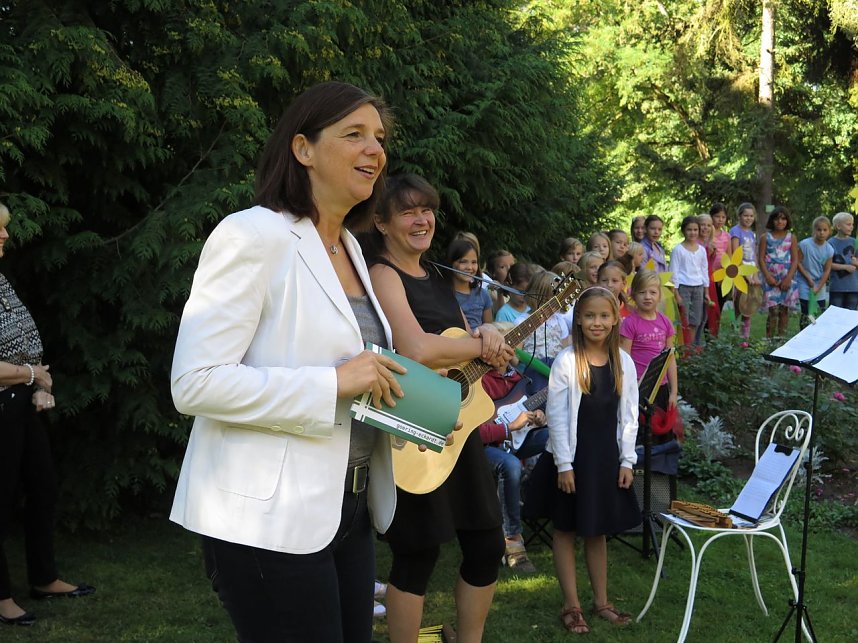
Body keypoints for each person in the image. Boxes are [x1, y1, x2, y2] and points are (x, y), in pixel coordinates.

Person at [169, 81, 417, 642]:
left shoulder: (352, 248)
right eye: (354, 134)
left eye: (379, 137)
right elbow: (195, 384)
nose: (375, 150)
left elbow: (361, 374)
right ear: (302, 148)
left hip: (347, 506)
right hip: (266, 519)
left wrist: (410, 414)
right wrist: (332, 383)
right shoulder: (251, 235)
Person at [364, 173, 514, 643]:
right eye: (407, 211)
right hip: (412, 428)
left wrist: (487, 343)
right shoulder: (381, 273)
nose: (421, 219)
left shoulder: (434, 275)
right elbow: (418, 350)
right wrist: (479, 342)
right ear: (382, 222)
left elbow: (452, 350)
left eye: (426, 209)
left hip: (457, 429)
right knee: (417, 553)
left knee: (488, 546)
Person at [0, 202, 95, 628]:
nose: (5, 236)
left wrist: (36, 382)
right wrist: (31, 373)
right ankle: (1, 597)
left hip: (19, 402)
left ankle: (43, 577)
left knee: (43, 488)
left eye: (3, 229)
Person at [527, 287, 640, 635]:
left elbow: (630, 416)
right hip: (572, 460)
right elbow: (557, 416)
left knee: (597, 529)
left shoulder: (624, 362)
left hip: (605, 459)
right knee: (565, 529)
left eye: (604, 316)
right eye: (590, 315)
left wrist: (627, 460)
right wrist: (563, 464)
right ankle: (571, 605)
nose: (597, 322)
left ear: (615, 319)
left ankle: (601, 601)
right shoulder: (567, 361)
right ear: (578, 318)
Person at [477, 362, 548, 575]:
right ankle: (512, 540)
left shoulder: (520, 379)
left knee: (557, 440)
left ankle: (549, 512)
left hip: (516, 440)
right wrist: (509, 427)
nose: (510, 353)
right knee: (510, 465)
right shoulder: (477, 381)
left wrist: (538, 418)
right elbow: (472, 431)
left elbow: (526, 415)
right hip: (483, 446)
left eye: (512, 348)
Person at [620, 270, 679, 434]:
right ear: (633, 294)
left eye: (652, 292)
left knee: (659, 431)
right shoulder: (630, 324)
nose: (647, 296)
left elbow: (670, 359)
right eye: (642, 292)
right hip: (638, 386)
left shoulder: (665, 323)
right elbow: (624, 359)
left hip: (661, 386)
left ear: (659, 295)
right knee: (639, 431)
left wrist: (673, 392)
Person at [757, 206, 799, 338]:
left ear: (787, 221)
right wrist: (768, 277)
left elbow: (795, 260)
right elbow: (761, 259)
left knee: (784, 310)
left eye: (783, 219)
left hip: (787, 277)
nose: (780, 222)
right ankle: (769, 339)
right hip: (771, 278)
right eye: (776, 219)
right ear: (772, 221)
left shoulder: (791, 237)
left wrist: (788, 278)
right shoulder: (765, 237)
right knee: (773, 310)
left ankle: (782, 340)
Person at [671, 216, 711, 347]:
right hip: (683, 288)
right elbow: (674, 273)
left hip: (698, 288)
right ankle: (683, 348)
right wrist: (676, 294)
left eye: (695, 229)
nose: (692, 232)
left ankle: (691, 348)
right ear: (683, 231)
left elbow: (704, 271)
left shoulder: (701, 250)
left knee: (696, 320)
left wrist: (706, 292)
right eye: (689, 229)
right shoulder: (678, 250)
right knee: (685, 320)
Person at [796, 216, 834, 328]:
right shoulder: (804, 244)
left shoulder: (829, 249)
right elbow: (798, 263)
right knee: (806, 311)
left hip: (819, 283)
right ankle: (803, 333)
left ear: (829, 231)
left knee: (819, 310)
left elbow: (827, 270)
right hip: (804, 282)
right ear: (814, 230)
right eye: (819, 230)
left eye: (825, 230)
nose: (822, 232)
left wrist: (819, 286)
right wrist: (808, 278)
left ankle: (816, 333)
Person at [447, 238, 492, 329]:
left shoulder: (483, 295)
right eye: (463, 262)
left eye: (474, 262)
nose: (469, 267)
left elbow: (489, 329)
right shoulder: (442, 294)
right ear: (451, 263)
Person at [730, 203, 759, 339]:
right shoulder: (735, 231)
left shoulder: (752, 234)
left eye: (751, 216)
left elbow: (754, 255)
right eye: (746, 215)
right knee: (738, 305)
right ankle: (735, 336)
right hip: (740, 273)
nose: (748, 218)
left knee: (749, 306)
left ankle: (744, 339)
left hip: (751, 273)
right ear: (739, 216)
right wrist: (745, 274)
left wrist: (755, 274)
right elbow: (736, 254)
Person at [828, 212, 858, 310]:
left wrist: (856, 263)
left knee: (850, 317)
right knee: (836, 315)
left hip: (853, 287)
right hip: (837, 288)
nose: (851, 227)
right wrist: (846, 267)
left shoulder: (855, 242)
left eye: (852, 224)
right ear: (838, 226)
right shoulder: (830, 243)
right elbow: (828, 264)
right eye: (848, 224)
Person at [485, 249, 515, 313]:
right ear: (493, 272)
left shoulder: (517, 289)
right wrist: (499, 292)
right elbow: (501, 314)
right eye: (502, 267)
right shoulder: (492, 291)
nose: (509, 269)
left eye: (512, 266)